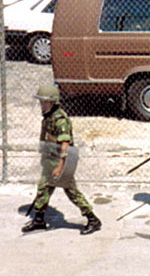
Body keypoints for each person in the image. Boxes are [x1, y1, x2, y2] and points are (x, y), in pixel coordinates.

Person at [22, 85, 102, 235]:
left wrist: (60, 167)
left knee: (72, 192)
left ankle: (92, 219)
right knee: (43, 189)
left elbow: (65, 145)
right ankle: (39, 220)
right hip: (50, 161)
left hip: (61, 163)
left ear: (53, 102)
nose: (42, 105)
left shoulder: (60, 119)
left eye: (44, 102)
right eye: (41, 102)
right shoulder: (48, 117)